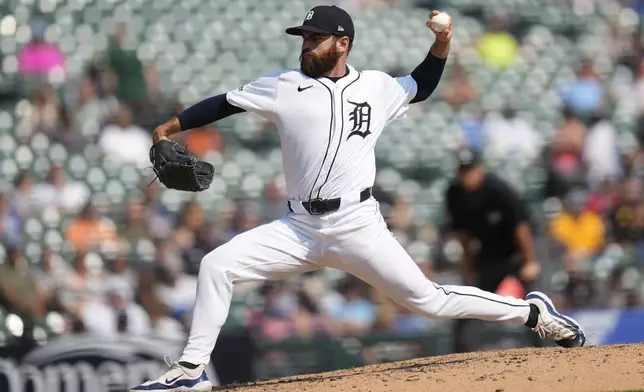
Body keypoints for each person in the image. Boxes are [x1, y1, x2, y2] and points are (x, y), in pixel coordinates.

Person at [130, 6, 585, 392]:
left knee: (430, 301)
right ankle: (190, 371)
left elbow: (421, 84)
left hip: (358, 225)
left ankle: (532, 312)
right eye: (303, 38)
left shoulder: (376, 87)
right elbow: (224, 103)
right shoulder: (283, 84)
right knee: (216, 264)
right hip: (300, 229)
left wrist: (443, 41)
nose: (305, 45)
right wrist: (172, 126)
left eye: (315, 38)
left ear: (342, 43)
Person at [444, 148, 542, 353]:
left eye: (471, 170)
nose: (467, 176)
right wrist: (469, 268)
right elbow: (462, 235)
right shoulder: (455, 194)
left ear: (481, 169)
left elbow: (521, 228)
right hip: (487, 255)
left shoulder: (498, 189)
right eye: (463, 172)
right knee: (468, 301)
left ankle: (549, 348)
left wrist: (530, 261)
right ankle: (461, 354)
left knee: (536, 300)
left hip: (516, 253)